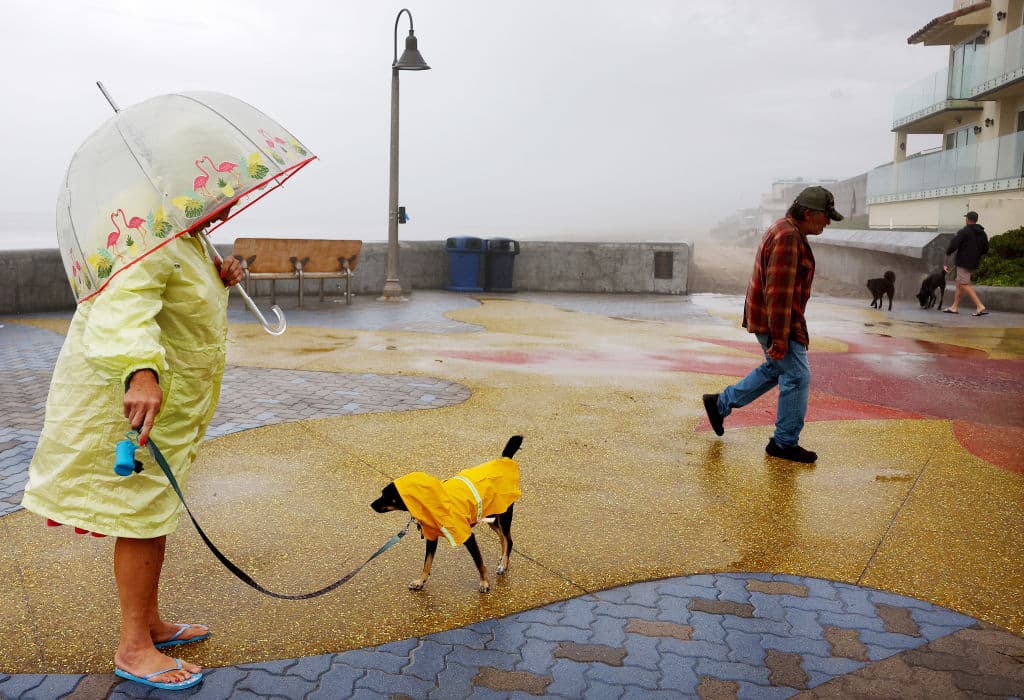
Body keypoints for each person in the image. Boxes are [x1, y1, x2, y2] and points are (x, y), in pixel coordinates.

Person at [21, 214, 243, 691]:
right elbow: (123, 306)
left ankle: (151, 625)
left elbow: (173, 295)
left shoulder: (191, 237)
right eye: (223, 196)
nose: (226, 203)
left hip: (174, 404)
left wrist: (221, 276)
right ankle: (133, 648)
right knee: (140, 517)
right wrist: (140, 369)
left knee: (154, 513)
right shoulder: (151, 236)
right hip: (143, 404)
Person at [701, 186, 843, 464]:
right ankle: (784, 443)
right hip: (779, 322)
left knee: (776, 369)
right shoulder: (789, 237)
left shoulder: (784, 229)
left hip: (770, 320)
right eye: (825, 216)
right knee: (797, 377)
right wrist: (780, 337)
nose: (827, 222)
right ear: (809, 213)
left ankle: (719, 404)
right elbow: (778, 293)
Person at [942, 211, 989, 316]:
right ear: (976, 220)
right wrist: (975, 254)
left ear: (967, 219)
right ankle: (954, 307)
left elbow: (954, 244)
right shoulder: (982, 233)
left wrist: (947, 254)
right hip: (974, 262)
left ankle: (980, 306)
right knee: (959, 283)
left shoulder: (964, 231)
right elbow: (985, 249)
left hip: (963, 261)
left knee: (964, 284)